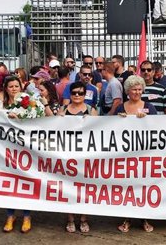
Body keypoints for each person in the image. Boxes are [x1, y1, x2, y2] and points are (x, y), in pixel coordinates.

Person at [0, 75, 43, 233]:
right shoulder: (0, 105)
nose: (14, 89)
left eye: (16, 86)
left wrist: (21, 118)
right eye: (10, 86)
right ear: (6, 88)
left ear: (21, 88)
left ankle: (27, 216)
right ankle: (10, 215)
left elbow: (39, 118)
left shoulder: (30, 103)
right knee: (9, 183)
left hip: (25, 150)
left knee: (25, 182)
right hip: (6, 150)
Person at [115, 75, 157, 233]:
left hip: (144, 155)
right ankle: (127, 219)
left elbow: (159, 128)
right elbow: (111, 130)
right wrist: (119, 120)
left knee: (143, 186)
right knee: (128, 188)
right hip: (125, 156)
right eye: (134, 89)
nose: (137, 92)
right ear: (128, 91)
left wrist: (146, 120)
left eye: (140, 89)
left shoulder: (150, 107)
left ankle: (145, 218)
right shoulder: (120, 107)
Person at [59, 82, 95, 233]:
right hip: (68, 155)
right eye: (74, 93)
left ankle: (84, 219)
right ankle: (70, 218)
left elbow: (99, 130)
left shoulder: (92, 110)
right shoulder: (63, 109)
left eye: (80, 93)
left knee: (84, 188)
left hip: (85, 155)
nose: (77, 95)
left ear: (85, 94)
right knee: (68, 188)